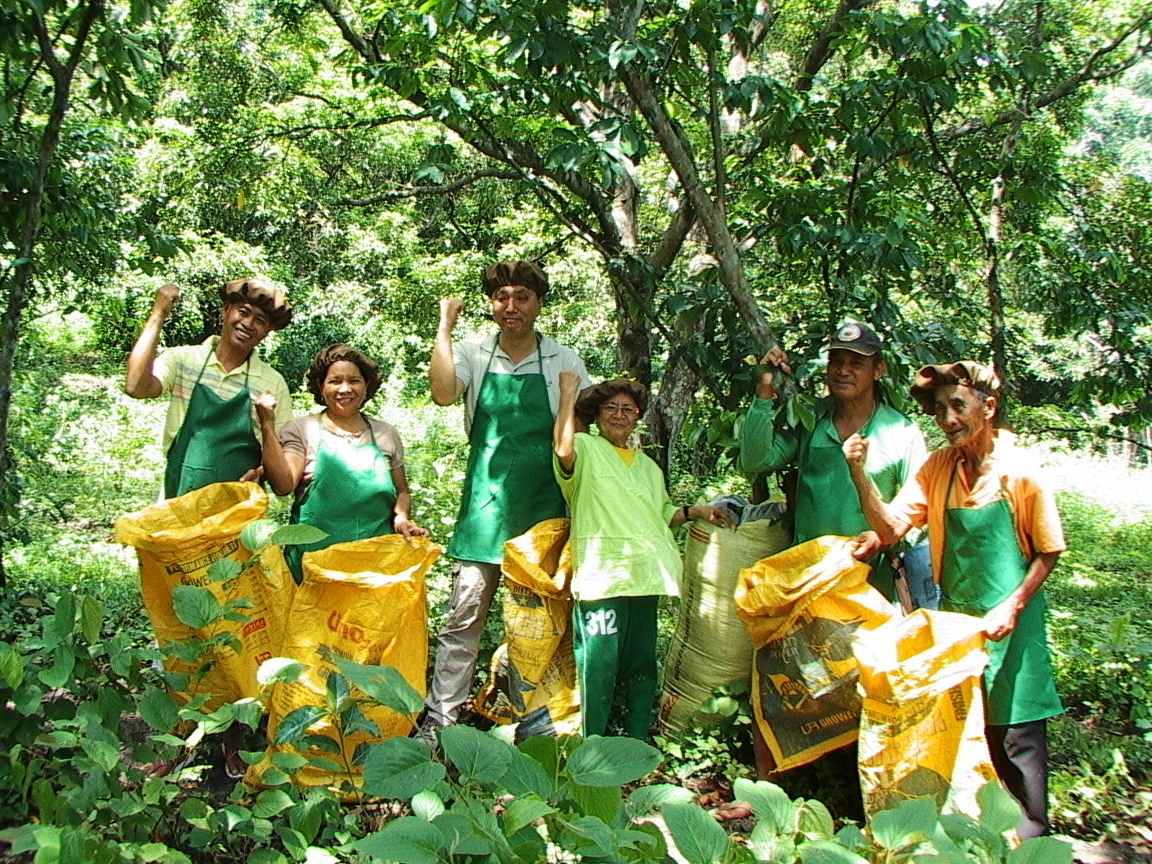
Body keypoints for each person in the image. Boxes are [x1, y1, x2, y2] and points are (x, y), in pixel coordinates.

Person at [845, 361, 1064, 839]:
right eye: (940, 409)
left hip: (1013, 621)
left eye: (957, 406)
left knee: (1015, 733)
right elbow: (890, 529)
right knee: (970, 733)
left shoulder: (1019, 471)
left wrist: (1014, 604)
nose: (948, 419)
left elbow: (1049, 549)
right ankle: (981, 836)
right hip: (958, 624)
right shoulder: (939, 467)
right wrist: (858, 473)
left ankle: (1032, 838)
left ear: (988, 407)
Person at [422, 260, 590, 735]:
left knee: (535, 630)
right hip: (484, 511)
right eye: (501, 298)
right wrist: (445, 327)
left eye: (521, 297)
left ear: (539, 303)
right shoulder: (475, 352)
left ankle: (531, 723)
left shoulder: (564, 360)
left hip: (542, 518)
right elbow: (442, 393)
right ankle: (442, 718)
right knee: (463, 620)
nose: (510, 306)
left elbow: (582, 438)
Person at [553, 373, 733, 738]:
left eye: (628, 409)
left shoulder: (649, 467)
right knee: (598, 665)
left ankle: (637, 744)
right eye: (611, 408)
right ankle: (592, 746)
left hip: (646, 575)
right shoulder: (586, 449)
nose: (619, 415)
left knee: (641, 665)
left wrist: (696, 511)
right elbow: (562, 450)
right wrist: (568, 394)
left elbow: (663, 513)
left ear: (637, 418)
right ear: (597, 415)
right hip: (602, 578)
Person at [738, 321, 926, 600]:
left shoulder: (901, 432)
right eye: (836, 362)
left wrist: (882, 537)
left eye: (856, 363)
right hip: (808, 579)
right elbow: (755, 460)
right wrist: (765, 388)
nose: (843, 371)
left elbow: (920, 514)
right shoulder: (811, 419)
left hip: (870, 587)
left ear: (878, 370)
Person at [257, 344, 428, 582]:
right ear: (321, 386)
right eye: (335, 381)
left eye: (354, 381)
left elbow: (402, 492)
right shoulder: (302, 430)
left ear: (366, 386)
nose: (344, 389)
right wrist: (267, 423)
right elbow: (283, 486)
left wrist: (401, 518)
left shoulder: (385, 434)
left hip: (375, 568)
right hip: (314, 570)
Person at [125, 279, 294, 498]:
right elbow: (135, 386)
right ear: (226, 310)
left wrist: (261, 472)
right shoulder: (183, 360)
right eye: (243, 312)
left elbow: (281, 463)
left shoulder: (273, 383)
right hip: (178, 501)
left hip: (238, 511)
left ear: (267, 331)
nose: (248, 323)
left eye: (260, 321)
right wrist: (158, 314)